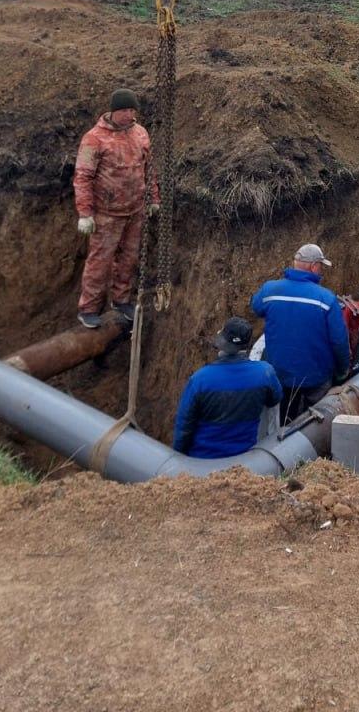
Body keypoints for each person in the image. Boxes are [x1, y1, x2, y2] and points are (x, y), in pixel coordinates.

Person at [73, 89, 159, 328]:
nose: (129, 115)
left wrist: (153, 198)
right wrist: (85, 214)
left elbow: (149, 168)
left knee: (129, 259)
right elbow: (83, 176)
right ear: (113, 111)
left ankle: (121, 300)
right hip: (106, 214)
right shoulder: (94, 138)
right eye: (124, 110)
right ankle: (88, 308)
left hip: (135, 209)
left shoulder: (140, 133)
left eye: (132, 110)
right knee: (100, 262)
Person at [251, 243, 350, 423]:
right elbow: (339, 341)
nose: (321, 271)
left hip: (280, 374)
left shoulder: (270, 290)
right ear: (313, 266)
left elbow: (256, 307)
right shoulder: (326, 298)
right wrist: (343, 371)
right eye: (321, 266)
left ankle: (282, 438)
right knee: (317, 419)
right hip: (316, 377)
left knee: (283, 416)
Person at [173, 317, 282, 458]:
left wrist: (178, 458)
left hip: (202, 460)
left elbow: (184, 427)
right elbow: (275, 400)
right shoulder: (265, 373)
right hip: (246, 460)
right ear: (246, 345)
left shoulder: (200, 379)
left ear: (222, 344)